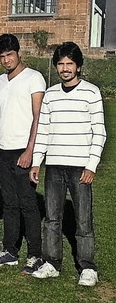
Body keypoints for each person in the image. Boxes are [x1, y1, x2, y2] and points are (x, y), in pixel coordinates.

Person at [29, 42, 106, 286]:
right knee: (52, 218)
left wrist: (91, 165)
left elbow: (100, 133)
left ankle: (87, 267)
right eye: (61, 64)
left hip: (80, 167)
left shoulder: (91, 92)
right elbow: (43, 130)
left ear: (79, 66)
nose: (65, 69)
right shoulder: (51, 94)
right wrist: (36, 162)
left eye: (69, 64)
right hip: (54, 165)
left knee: (83, 220)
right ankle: (52, 263)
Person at [0, 34, 45, 274]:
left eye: (10, 55)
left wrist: (30, 150)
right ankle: (10, 250)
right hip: (4, 148)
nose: (6, 60)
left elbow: (38, 116)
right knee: (9, 203)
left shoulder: (34, 78)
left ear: (19, 53)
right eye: (2, 57)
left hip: (23, 149)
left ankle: (35, 255)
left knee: (28, 203)